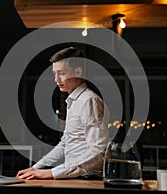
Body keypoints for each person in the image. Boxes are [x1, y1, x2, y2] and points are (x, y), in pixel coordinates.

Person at [16, 46, 110, 180]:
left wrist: (52, 173)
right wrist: (35, 168)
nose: (56, 79)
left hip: (87, 179)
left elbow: (99, 151)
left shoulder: (89, 101)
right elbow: (65, 143)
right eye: (55, 74)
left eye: (61, 73)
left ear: (78, 72)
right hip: (75, 177)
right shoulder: (74, 101)